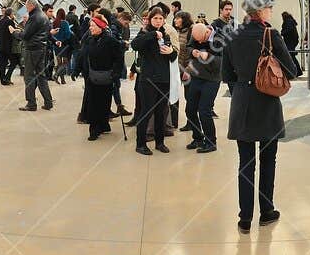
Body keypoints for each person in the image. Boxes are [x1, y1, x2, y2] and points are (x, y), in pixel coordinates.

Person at [221, 0, 295, 230]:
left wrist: (244, 85)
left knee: (245, 162)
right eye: (269, 7)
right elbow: (290, 70)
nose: (271, 11)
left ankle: (244, 218)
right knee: (268, 159)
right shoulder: (270, 35)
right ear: (260, 11)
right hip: (267, 103)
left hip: (242, 103)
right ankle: (266, 210)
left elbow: (227, 75)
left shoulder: (232, 36)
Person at [129, 8, 175, 154]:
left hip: (164, 79)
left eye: (160, 19)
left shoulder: (166, 36)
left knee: (161, 112)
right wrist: (152, 34)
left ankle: (160, 142)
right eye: (155, 18)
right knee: (146, 112)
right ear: (150, 19)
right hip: (148, 80)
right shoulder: (145, 34)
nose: (158, 21)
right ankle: (140, 144)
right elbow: (135, 45)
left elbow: (172, 59)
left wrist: (172, 52)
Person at [79, 12, 126, 140]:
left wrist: (116, 73)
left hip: (107, 76)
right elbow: (83, 54)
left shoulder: (111, 41)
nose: (90, 28)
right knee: (93, 104)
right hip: (92, 76)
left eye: (93, 25)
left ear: (100, 27)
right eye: (90, 25)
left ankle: (103, 124)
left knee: (105, 102)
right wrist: (78, 69)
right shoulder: (89, 40)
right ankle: (94, 130)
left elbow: (119, 58)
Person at [184, 19, 222, 153]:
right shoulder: (196, 34)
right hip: (196, 76)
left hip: (212, 79)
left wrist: (209, 56)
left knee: (204, 111)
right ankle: (198, 138)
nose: (199, 43)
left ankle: (211, 142)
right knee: (190, 109)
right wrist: (193, 51)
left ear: (208, 32)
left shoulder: (220, 39)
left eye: (202, 40)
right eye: (197, 40)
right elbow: (188, 46)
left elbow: (224, 61)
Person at [17, 0, 54, 111]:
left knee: (29, 77)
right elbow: (47, 33)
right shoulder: (44, 16)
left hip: (32, 49)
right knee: (41, 76)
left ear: (32, 6)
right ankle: (48, 102)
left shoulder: (34, 17)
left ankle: (31, 103)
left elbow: (25, 35)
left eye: (27, 6)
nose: (26, 9)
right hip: (42, 49)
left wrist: (14, 32)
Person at [0, 7, 19, 85]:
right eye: (13, 13)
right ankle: (7, 77)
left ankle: (3, 80)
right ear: (10, 14)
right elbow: (13, 33)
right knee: (14, 61)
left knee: (2, 64)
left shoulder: (0, 21)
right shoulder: (10, 21)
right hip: (7, 46)